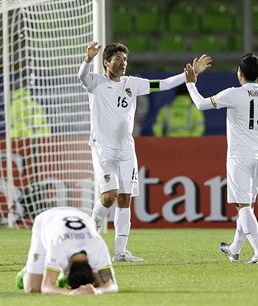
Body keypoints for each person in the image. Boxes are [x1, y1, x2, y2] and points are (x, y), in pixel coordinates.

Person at [78, 42, 212, 262]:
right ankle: (89, 237)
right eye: (118, 59)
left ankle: (120, 252)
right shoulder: (96, 83)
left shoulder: (133, 84)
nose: (122, 64)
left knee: (125, 198)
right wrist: (87, 60)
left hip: (126, 149)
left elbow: (165, 84)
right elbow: (81, 77)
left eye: (125, 60)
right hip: (103, 150)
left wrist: (190, 74)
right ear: (106, 62)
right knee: (109, 196)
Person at [184, 53, 258, 264]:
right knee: (246, 206)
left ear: (240, 73)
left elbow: (201, 104)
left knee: (243, 206)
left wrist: (191, 84)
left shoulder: (234, 94)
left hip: (240, 156)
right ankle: (234, 249)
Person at [15, 207, 118, 295]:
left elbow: (112, 286)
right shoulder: (58, 247)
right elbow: (46, 287)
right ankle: (29, 270)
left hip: (81, 215)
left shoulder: (98, 246)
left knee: (99, 282)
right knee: (33, 288)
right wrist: (70, 293)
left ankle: (54, 271)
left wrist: (96, 291)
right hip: (46, 219)